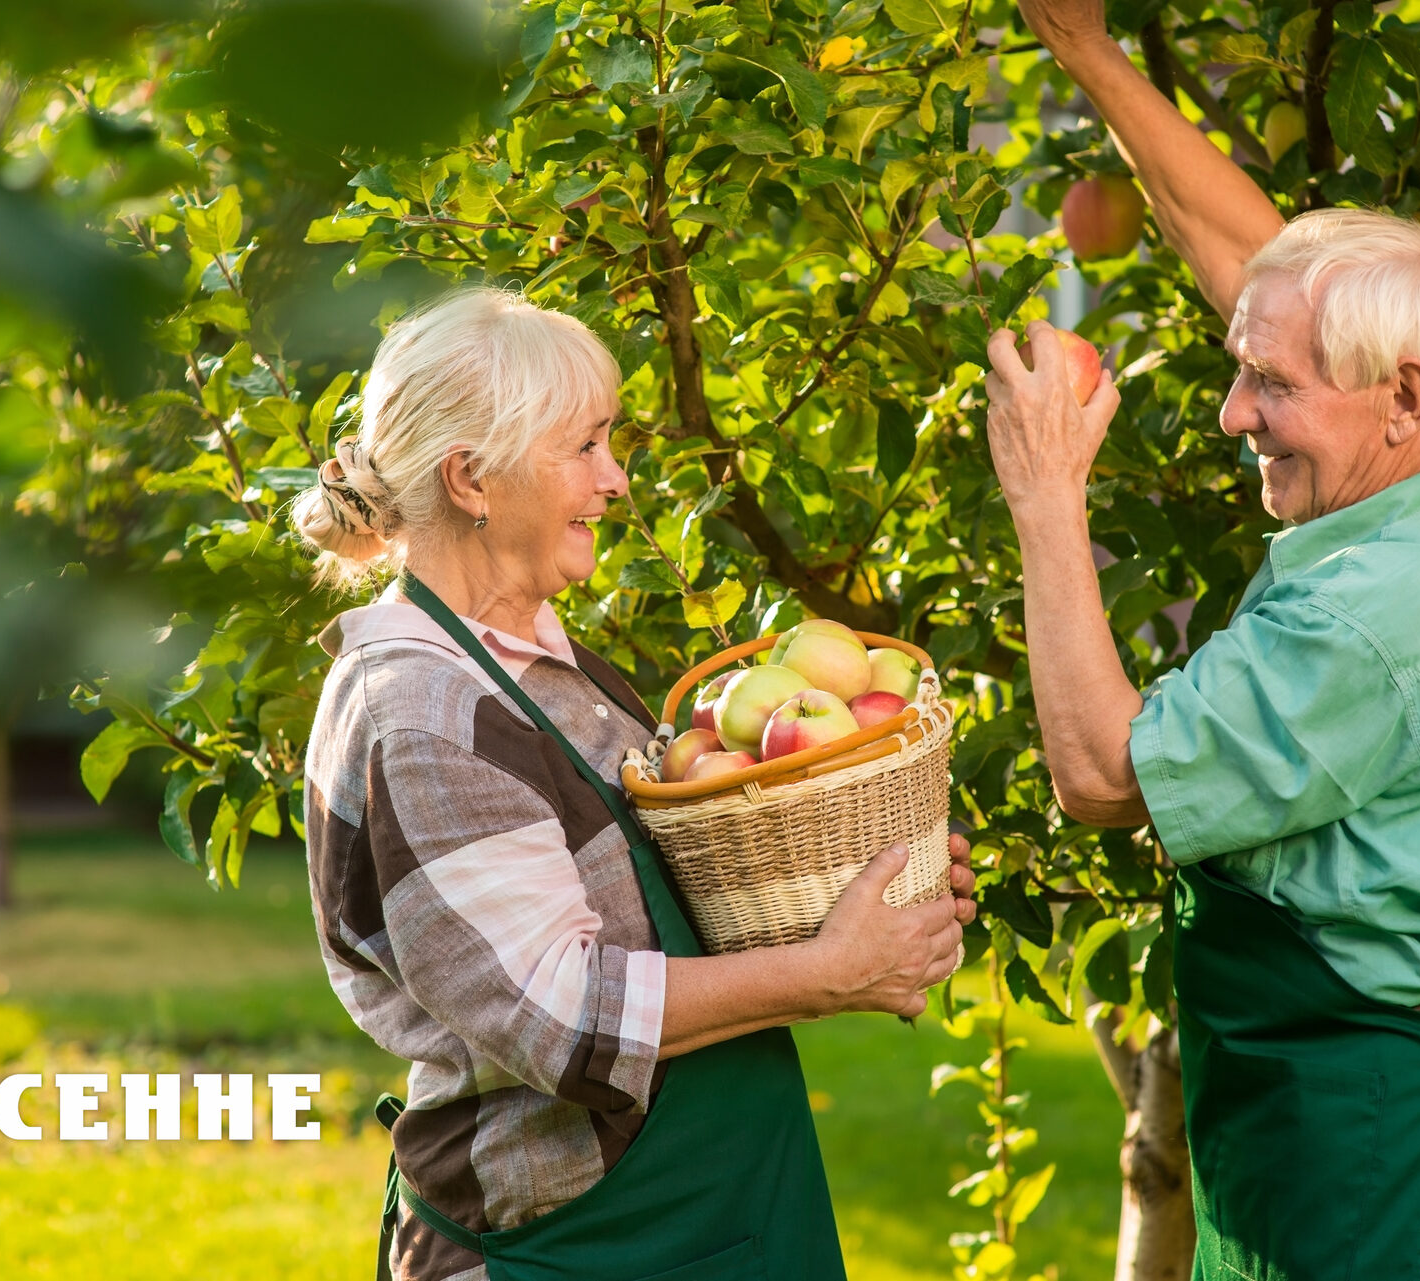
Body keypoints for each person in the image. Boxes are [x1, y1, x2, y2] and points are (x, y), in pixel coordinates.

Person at [984, 3, 1420, 1278]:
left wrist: (1046, 498)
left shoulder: (1368, 611)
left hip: (1385, 1141)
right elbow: (1259, 265)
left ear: (1396, 393)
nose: (1237, 416)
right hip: (1357, 1109)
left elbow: (1106, 777)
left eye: (1269, 388)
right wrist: (1084, 46)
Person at [293, 286, 974, 1281]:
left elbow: (656, 915)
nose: (615, 482)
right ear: (471, 480)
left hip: (699, 1215)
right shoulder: (425, 717)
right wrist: (827, 974)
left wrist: (872, 901)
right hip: (571, 1244)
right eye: (585, 448)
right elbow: (562, 1016)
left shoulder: (536, 665)